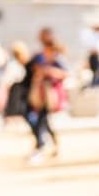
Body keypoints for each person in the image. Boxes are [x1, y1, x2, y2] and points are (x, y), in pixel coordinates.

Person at [23, 30, 64, 163]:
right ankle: (49, 145)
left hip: (49, 96)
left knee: (42, 120)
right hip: (40, 95)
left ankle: (40, 146)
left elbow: (64, 74)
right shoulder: (39, 59)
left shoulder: (56, 62)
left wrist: (50, 72)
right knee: (44, 121)